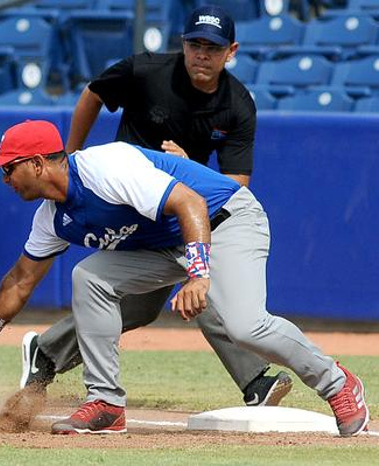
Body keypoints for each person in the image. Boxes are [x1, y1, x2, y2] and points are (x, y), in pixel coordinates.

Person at [0, 120, 369, 437]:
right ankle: (106, 404)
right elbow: (19, 282)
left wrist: (198, 274)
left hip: (224, 219)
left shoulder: (104, 166)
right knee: (89, 277)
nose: (5, 177)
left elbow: (190, 202)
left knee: (246, 326)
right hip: (166, 244)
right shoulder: (51, 218)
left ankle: (337, 384)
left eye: (9, 167)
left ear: (38, 163)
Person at [20, 4, 285, 408]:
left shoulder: (237, 103)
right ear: (182, 45)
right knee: (196, 284)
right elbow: (93, 93)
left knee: (145, 306)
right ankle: (255, 381)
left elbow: (237, 186)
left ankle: (47, 352)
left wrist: (189, 167)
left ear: (230, 51)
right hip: (129, 204)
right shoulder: (146, 70)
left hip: (182, 208)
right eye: (195, 44)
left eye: (211, 47)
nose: (202, 54)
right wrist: (71, 157)